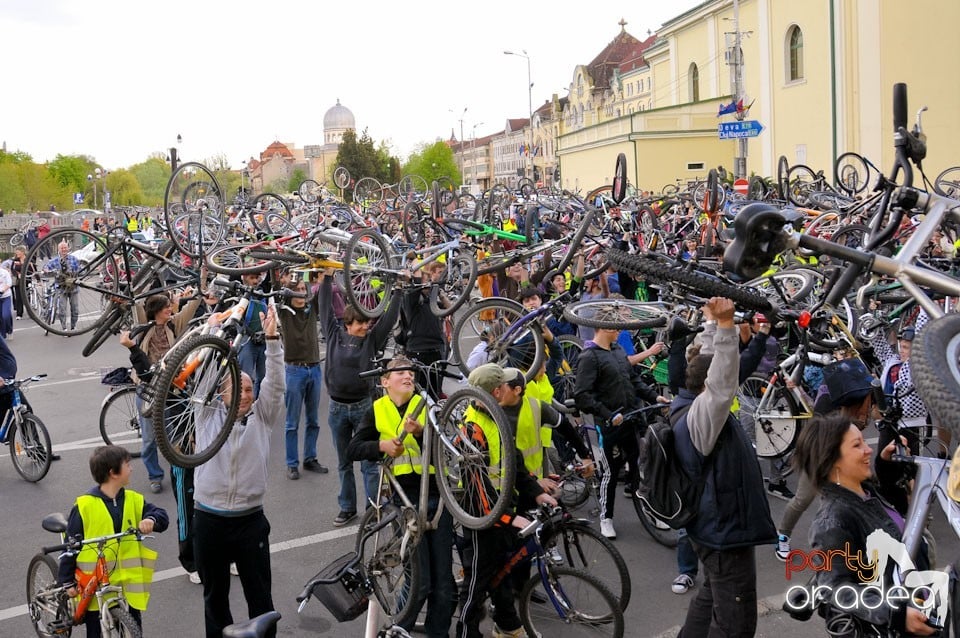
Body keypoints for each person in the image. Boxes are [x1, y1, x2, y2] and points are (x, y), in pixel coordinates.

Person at [673, 297, 777, 637]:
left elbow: (706, 359)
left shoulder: (686, 402)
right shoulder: (703, 415)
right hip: (723, 532)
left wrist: (713, 323)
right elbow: (721, 380)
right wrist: (729, 328)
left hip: (716, 529)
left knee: (712, 595)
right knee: (735, 622)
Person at [793, 413, 936, 636]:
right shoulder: (832, 521)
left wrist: (887, 464)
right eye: (857, 445)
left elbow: (892, 515)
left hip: (918, 607)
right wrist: (895, 615)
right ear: (833, 460)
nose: (868, 449)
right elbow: (836, 589)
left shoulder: (865, 492)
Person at [346, 357, 455, 638]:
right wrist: (381, 446)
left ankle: (437, 633)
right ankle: (399, 629)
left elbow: (447, 450)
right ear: (385, 382)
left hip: (435, 497)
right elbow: (354, 448)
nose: (408, 376)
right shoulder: (378, 409)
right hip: (403, 503)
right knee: (421, 580)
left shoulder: (426, 404)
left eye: (411, 373)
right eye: (401, 373)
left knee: (444, 584)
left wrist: (421, 434)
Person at [193, 306, 283, 638]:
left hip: (249, 521)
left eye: (249, 389)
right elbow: (203, 374)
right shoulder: (205, 415)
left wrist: (272, 340)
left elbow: (275, 384)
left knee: (261, 598)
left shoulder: (262, 416)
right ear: (222, 393)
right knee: (215, 599)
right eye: (239, 389)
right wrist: (213, 330)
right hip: (209, 520)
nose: (246, 395)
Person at [458, 363, 558, 638]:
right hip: (481, 518)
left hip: (501, 509)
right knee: (476, 585)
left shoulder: (495, 416)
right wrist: (510, 518)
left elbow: (515, 463)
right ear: (497, 390)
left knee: (501, 571)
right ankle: (466, 632)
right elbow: (478, 490)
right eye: (503, 384)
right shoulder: (472, 429)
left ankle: (508, 626)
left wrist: (536, 492)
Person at [573, 307, 668, 539]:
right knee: (610, 473)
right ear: (606, 328)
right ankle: (606, 517)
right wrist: (607, 414)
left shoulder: (618, 350)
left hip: (632, 421)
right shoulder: (589, 357)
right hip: (609, 427)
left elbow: (634, 381)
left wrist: (655, 397)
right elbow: (583, 396)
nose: (621, 330)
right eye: (617, 325)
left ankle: (650, 510)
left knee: (640, 468)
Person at [57, 445, 169, 638]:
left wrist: (151, 520)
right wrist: (66, 581)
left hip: (127, 586)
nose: (132, 468)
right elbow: (70, 547)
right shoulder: (84, 506)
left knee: (134, 630)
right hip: (95, 588)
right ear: (113, 473)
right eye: (127, 464)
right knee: (95, 631)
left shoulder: (134, 499)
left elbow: (161, 516)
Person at [319, 268, 401, 526]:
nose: (366, 326)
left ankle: (373, 506)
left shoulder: (371, 340)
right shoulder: (334, 335)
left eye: (368, 323)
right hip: (337, 408)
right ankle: (347, 507)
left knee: (369, 461)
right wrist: (327, 279)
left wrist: (397, 290)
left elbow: (387, 320)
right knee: (344, 462)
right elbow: (324, 309)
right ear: (348, 324)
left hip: (364, 406)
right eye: (361, 323)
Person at [776, 356, 879, 561]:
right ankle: (782, 537)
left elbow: (874, 416)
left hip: (841, 458)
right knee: (803, 499)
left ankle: (850, 544)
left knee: (846, 500)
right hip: (817, 454)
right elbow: (817, 415)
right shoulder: (833, 396)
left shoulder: (856, 396)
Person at [121, 289, 201, 494]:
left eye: (170, 306)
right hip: (148, 387)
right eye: (166, 306)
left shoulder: (174, 324)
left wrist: (202, 281)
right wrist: (133, 287)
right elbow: (135, 303)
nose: (170, 308)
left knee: (179, 430)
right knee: (149, 437)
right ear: (156, 310)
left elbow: (192, 306)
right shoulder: (144, 326)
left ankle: (183, 467)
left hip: (173, 385)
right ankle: (155, 475)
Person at [278, 275, 328, 480]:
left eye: (302, 288)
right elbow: (275, 288)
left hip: (314, 369)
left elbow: (320, 288)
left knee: (313, 420)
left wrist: (313, 272)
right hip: (294, 371)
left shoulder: (311, 308)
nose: (301, 292)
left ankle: (310, 458)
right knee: (292, 422)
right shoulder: (285, 312)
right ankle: (292, 464)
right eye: (296, 289)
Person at [399, 261, 448, 400]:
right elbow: (416, 278)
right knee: (417, 393)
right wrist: (415, 263)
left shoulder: (432, 300)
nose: (428, 283)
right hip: (417, 351)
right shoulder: (412, 298)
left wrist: (439, 293)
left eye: (429, 281)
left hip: (435, 350)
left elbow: (450, 308)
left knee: (433, 392)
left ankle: (432, 419)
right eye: (426, 280)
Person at [237, 271, 268, 398]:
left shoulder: (262, 294)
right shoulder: (241, 296)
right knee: (245, 377)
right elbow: (238, 319)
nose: (255, 281)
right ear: (244, 278)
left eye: (257, 278)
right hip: (247, 340)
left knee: (263, 377)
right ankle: (242, 406)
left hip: (263, 340)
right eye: (252, 278)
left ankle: (257, 403)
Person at [42, 240, 80, 333]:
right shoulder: (54, 261)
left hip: (73, 287)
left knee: (75, 309)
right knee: (62, 309)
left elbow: (80, 269)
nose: (64, 250)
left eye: (65, 248)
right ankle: (64, 328)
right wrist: (46, 270)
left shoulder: (73, 259)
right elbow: (45, 267)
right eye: (62, 248)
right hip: (61, 288)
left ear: (68, 248)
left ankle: (73, 326)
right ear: (58, 250)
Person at [10, 247, 25, 320]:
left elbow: (32, 268)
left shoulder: (28, 259)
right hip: (18, 281)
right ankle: (19, 313)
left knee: (26, 297)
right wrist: (17, 274)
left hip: (26, 279)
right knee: (18, 297)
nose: (17, 253)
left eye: (18, 252)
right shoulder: (15, 260)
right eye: (16, 252)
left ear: (23, 252)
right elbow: (12, 269)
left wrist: (38, 280)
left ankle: (31, 312)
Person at [0, 260, 13, 338]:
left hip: (6, 296)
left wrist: (2, 291)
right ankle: (3, 333)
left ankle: (9, 329)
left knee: (5, 315)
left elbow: (9, 283)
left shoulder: (4, 272)